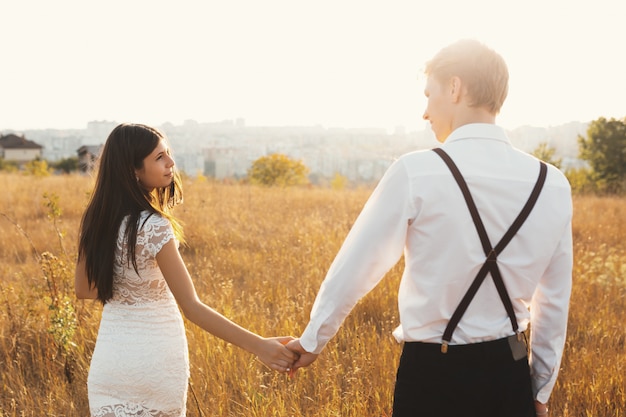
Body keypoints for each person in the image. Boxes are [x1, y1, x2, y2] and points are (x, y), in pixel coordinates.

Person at [286, 39, 572, 417]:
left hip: (433, 376)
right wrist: (540, 389)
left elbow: (357, 267)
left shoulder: (416, 171)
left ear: (455, 88)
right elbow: (553, 302)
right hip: (511, 374)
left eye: (429, 94)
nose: (425, 112)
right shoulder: (551, 182)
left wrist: (312, 340)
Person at [75, 123, 297, 417]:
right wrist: (260, 346)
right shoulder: (152, 225)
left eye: (168, 154)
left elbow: (85, 291)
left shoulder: (96, 221)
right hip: (155, 363)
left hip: (110, 366)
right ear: (134, 171)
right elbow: (191, 307)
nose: (171, 163)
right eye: (159, 157)